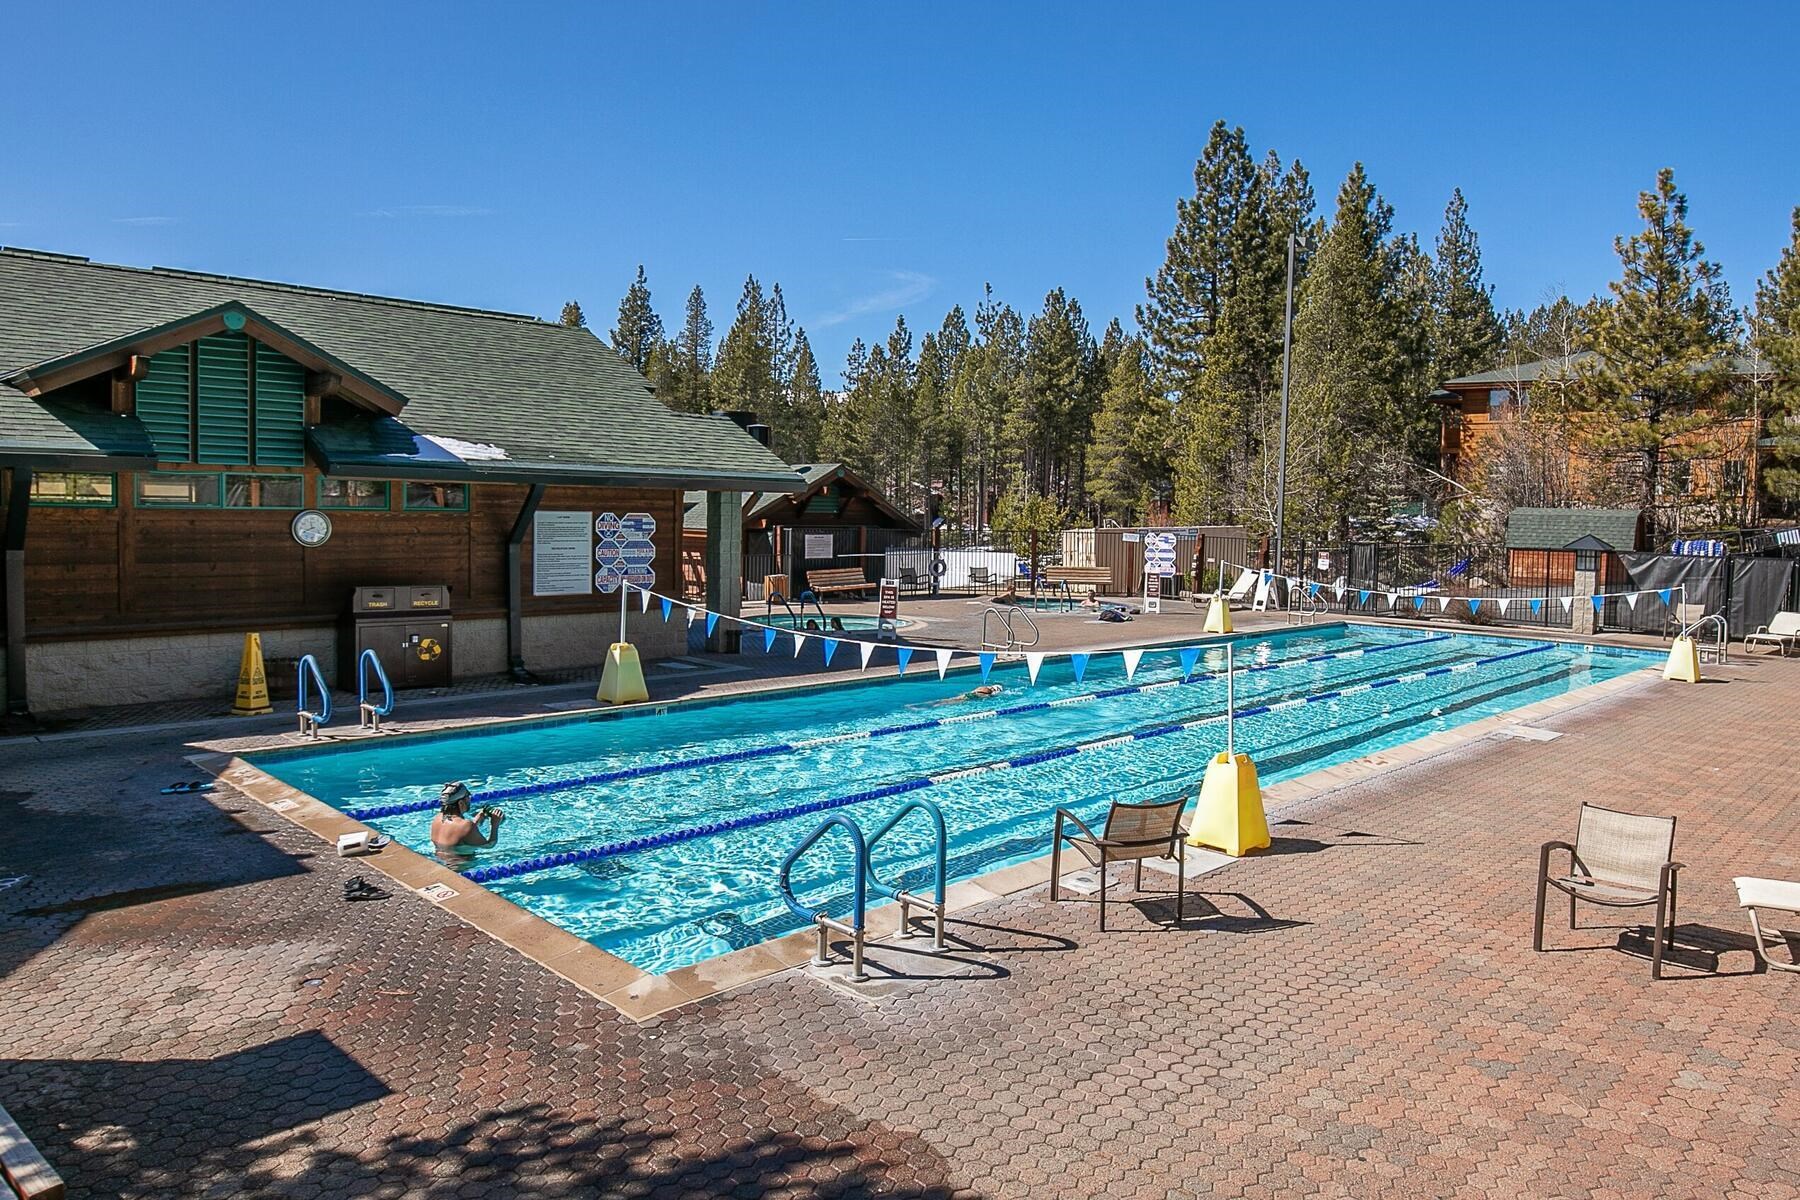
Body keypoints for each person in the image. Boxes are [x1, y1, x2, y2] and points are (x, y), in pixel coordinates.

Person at [430, 782, 503, 858]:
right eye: (468, 797)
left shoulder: (437, 818)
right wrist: (495, 824)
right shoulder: (466, 826)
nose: (469, 800)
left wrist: (479, 818)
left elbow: (462, 834)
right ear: (461, 803)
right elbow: (489, 845)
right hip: (461, 867)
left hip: (440, 862)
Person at [930, 683, 1004, 706]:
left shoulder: (983, 687)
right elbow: (981, 696)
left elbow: (974, 691)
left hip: (969, 694)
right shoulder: (988, 692)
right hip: (971, 697)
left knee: (949, 700)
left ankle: (931, 703)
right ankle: (935, 705)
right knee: (951, 702)